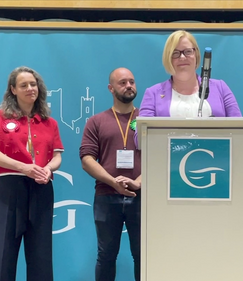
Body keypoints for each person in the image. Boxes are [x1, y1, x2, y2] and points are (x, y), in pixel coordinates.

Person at [0, 66, 63, 281]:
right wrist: (24, 168)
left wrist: (48, 169)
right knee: (3, 253)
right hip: (8, 188)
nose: (30, 88)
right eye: (23, 85)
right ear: (13, 90)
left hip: (41, 188)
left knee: (41, 254)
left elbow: (57, 157)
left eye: (33, 84)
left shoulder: (50, 122)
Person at [80, 67, 142, 281]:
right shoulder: (96, 121)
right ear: (111, 88)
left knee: (143, 256)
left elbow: (161, 155)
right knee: (106, 256)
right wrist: (113, 181)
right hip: (106, 195)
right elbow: (87, 159)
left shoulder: (148, 119)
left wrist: (138, 182)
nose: (129, 86)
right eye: (123, 82)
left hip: (142, 196)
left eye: (132, 82)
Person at [139, 29, 242, 118]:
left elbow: (240, 129)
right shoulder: (153, 94)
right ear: (168, 58)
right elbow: (141, 135)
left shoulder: (221, 88)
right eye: (175, 53)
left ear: (196, 55)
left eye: (188, 51)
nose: (182, 57)